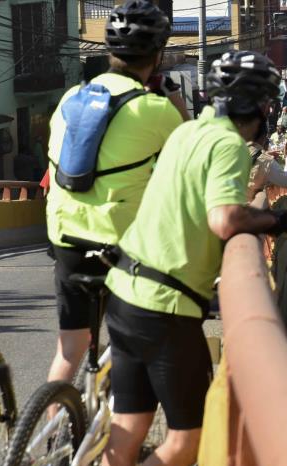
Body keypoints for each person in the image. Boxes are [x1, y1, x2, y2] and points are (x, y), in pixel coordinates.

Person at [100, 51, 287, 466]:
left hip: (124, 291)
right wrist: (275, 222)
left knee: (129, 429)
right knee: (186, 439)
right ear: (256, 106)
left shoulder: (188, 132)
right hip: (165, 307)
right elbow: (224, 219)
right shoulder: (230, 147)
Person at [44, 0, 186, 388]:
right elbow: (189, 159)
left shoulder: (71, 98)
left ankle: (46, 435)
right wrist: (176, 102)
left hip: (65, 237)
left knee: (69, 350)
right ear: (157, 56)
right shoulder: (155, 109)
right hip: (120, 246)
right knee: (138, 345)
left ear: (109, 52)